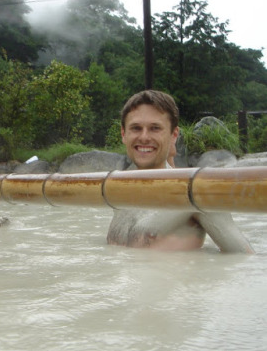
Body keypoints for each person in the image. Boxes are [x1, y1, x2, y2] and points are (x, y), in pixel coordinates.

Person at [106, 90, 254, 253]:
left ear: (173, 135)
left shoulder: (197, 194)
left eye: (155, 128)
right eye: (136, 128)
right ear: (123, 134)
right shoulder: (118, 192)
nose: (144, 137)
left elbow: (243, 260)